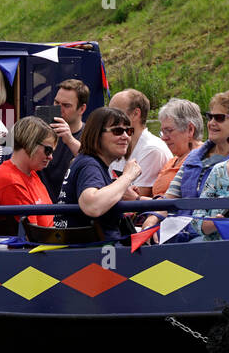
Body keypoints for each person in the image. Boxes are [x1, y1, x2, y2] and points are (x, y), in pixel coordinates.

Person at [54, 106, 141, 242]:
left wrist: (118, 189)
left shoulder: (87, 161)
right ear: (97, 135)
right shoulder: (89, 165)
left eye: (128, 131)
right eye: (117, 131)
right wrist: (127, 176)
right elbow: (92, 205)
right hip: (95, 255)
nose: (125, 137)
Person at [175, 90, 229, 199]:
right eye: (210, 117)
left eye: (219, 118)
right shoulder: (193, 157)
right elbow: (169, 198)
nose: (211, 123)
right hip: (182, 215)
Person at [0, 116, 56, 228]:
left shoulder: (30, 174)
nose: (50, 157)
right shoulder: (10, 181)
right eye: (48, 150)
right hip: (35, 243)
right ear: (29, 143)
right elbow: (33, 234)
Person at [107, 89, 171, 197]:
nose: (108, 118)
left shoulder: (152, 150)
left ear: (135, 114)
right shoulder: (118, 145)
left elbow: (134, 200)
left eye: (115, 112)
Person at [39, 78, 88, 201]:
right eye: (56, 103)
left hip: (72, 207)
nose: (59, 109)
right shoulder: (42, 127)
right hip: (42, 205)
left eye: (66, 106)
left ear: (82, 109)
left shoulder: (90, 134)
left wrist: (70, 140)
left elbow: (93, 162)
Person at [151, 98, 204, 197]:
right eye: (162, 132)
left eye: (169, 130)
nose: (163, 138)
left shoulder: (199, 160)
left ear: (190, 130)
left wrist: (137, 198)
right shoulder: (173, 161)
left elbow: (181, 204)